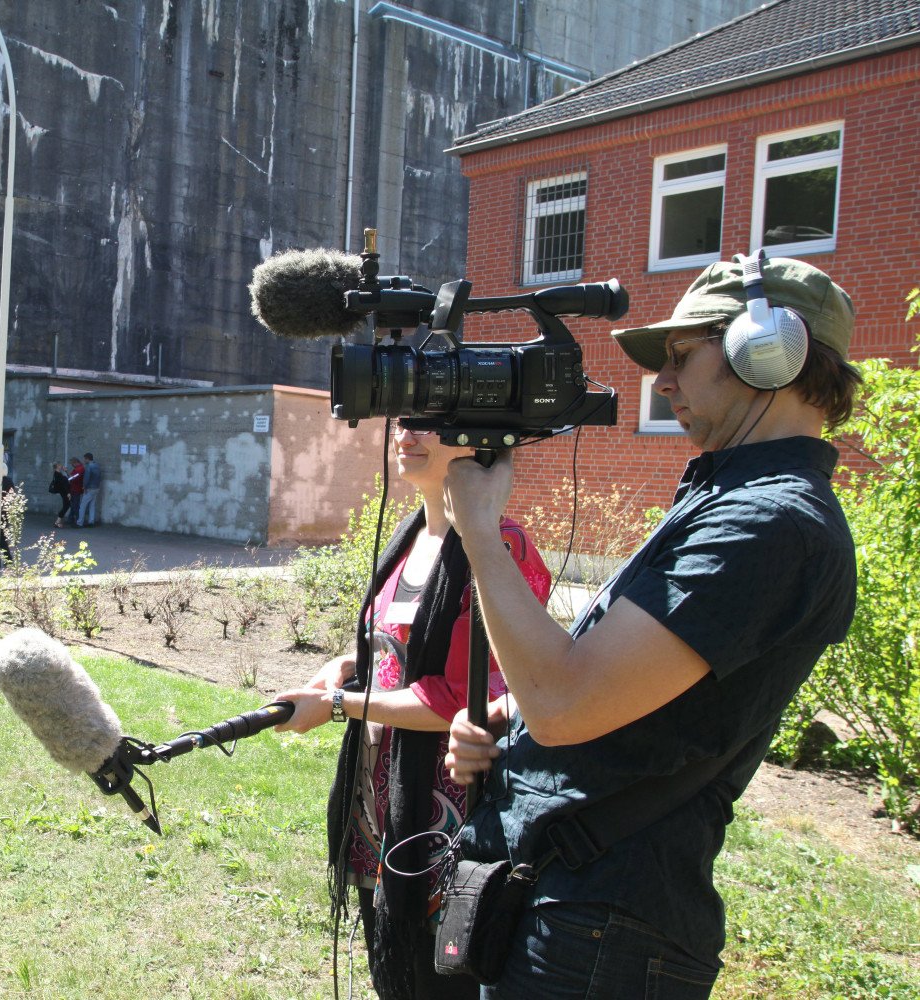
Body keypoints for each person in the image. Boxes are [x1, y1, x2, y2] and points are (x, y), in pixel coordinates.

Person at [444, 256, 860, 998]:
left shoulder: (770, 523)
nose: (662, 383)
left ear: (767, 350)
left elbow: (568, 703)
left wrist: (479, 530)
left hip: (602, 930)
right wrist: (511, 722)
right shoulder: (730, 498)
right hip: (572, 907)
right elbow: (621, 697)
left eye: (682, 355)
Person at [274, 422, 551, 1000]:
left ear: (477, 439)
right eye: (404, 417)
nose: (408, 431)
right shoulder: (411, 537)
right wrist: (347, 661)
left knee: (437, 978)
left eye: (432, 420)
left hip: (448, 810)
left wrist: (335, 705)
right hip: (384, 809)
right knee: (394, 971)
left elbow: (461, 698)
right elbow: (396, 640)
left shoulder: (500, 548)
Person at [77, 451, 102, 526]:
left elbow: (86, 478)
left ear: (87, 459)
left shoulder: (88, 466)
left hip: (90, 488)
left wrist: (84, 486)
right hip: (96, 487)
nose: (84, 461)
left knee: (82, 506)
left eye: (85, 459)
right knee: (92, 505)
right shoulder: (97, 465)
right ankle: (91, 521)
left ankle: (79, 522)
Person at [48, 461, 71, 528]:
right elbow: (64, 485)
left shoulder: (58, 474)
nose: (61, 466)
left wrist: (66, 472)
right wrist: (68, 493)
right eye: (60, 465)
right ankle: (57, 522)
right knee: (66, 506)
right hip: (64, 492)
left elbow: (66, 481)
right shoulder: (58, 474)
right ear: (57, 466)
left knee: (67, 505)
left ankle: (58, 521)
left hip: (64, 492)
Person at [66, 455, 85, 527]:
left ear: (75, 462)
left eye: (72, 464)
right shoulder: (78, 469)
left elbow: (72, 478)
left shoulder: (79, 469)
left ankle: (77, 519)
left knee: (75, 505)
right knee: (74, 505)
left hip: (76, 489)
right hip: (75, 488)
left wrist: (66, 472)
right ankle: (71, 519)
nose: (72, 465)